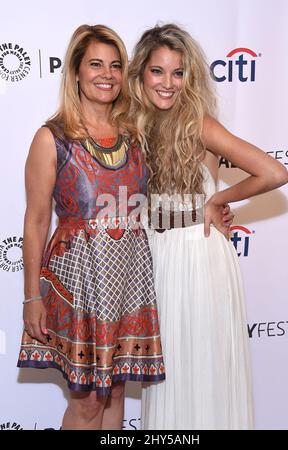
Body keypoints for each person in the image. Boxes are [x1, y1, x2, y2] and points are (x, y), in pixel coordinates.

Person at [128, 23, 288, 430]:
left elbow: (273, 173)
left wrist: (218, 200)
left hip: (198, 254)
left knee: (200, 363)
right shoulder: (132, 126)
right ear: (141, 74)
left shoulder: (198, 123)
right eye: (158, 71)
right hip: (156, 256)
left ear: (190, 77)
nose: (168, 83)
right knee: (167, 370)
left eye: (178, 72)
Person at [17, 24, 166, 430]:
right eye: (96, 64)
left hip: (129, 281)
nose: (107, 74)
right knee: (85, 403)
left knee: (116, 391)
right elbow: (35, 222)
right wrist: (32, 298)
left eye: (116, 65)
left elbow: (162, 199)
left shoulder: (137, 135)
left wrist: (208, 210)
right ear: (76, 73)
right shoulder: (53, 138)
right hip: (77, 282)